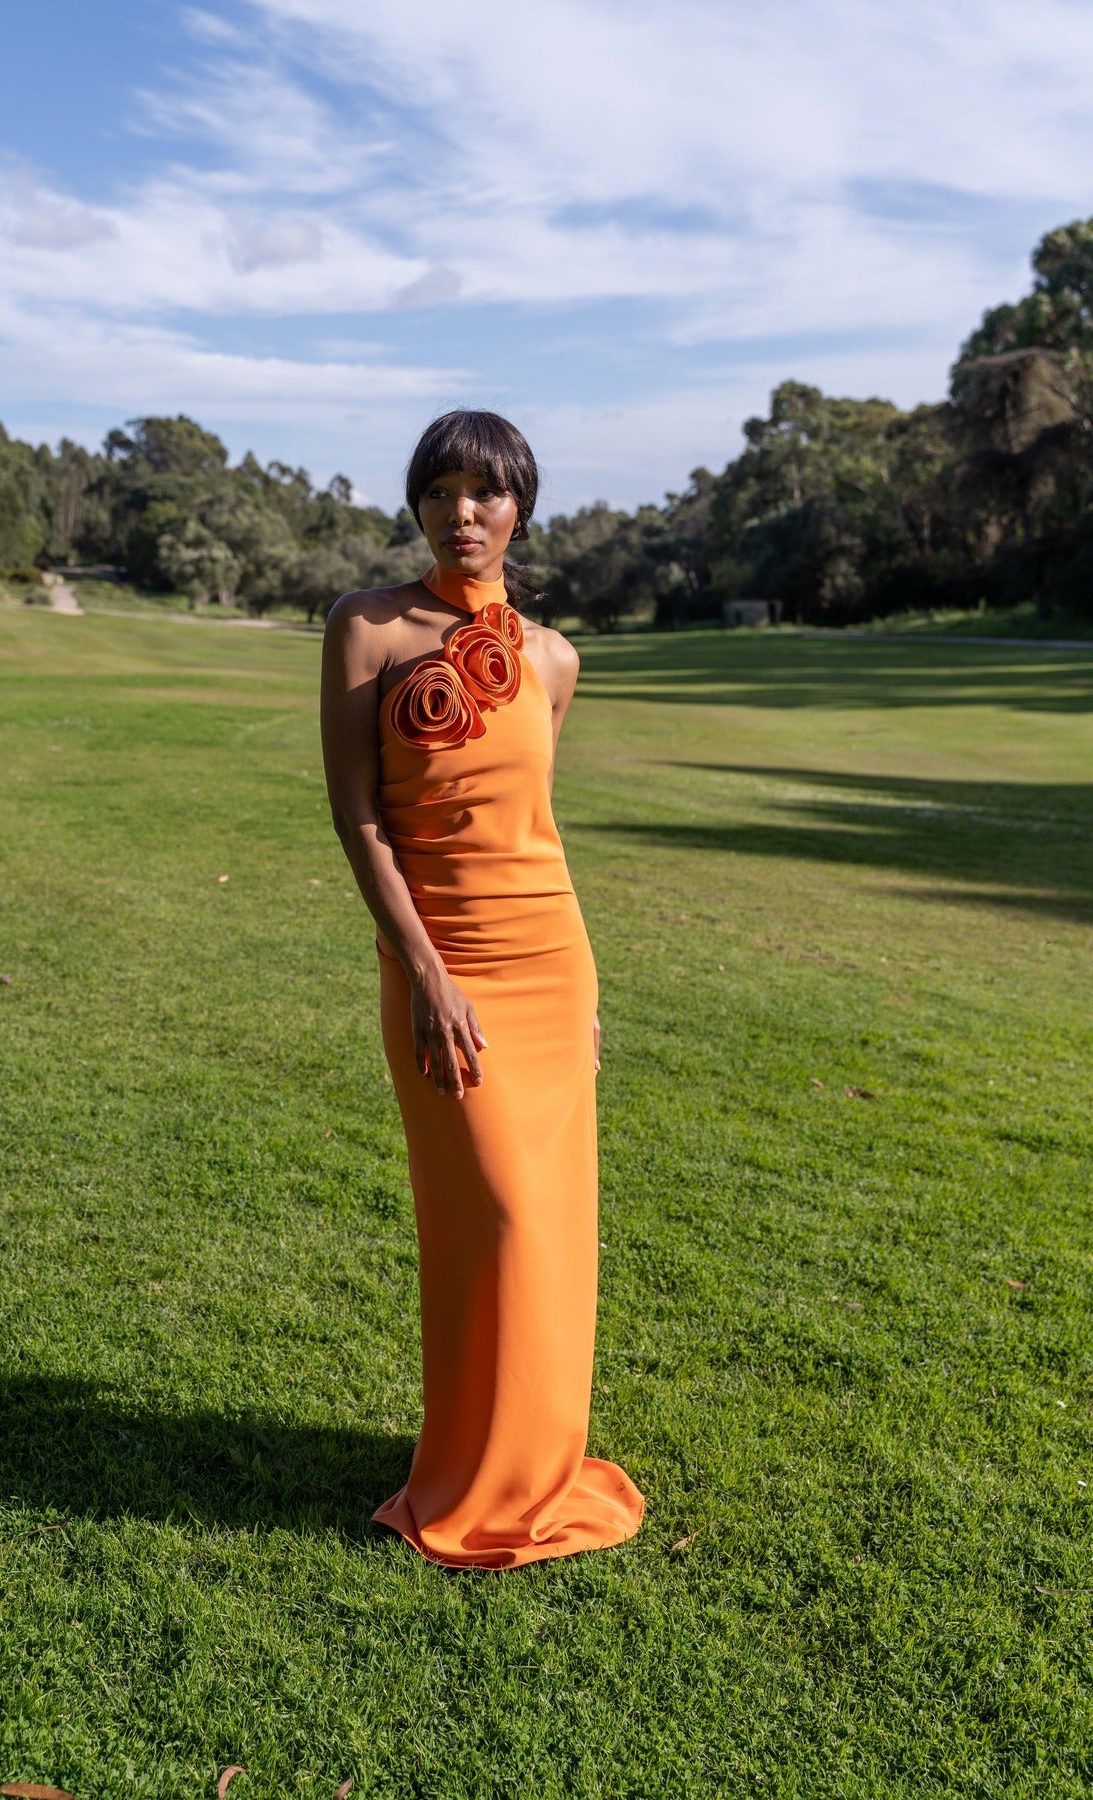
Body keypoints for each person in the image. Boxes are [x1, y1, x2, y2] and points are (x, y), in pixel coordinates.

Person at [319, 409, 645, 1569]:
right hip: (439, 966)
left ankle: (540, 1468)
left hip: (551, 963)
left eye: (486, 491)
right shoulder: (366, 628)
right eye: (442, 489)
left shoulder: (555, 659)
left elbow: (537, 830)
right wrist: (425, 974)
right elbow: (361, 816)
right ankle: (466, 1476)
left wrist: (588, 992)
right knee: (493, 1217)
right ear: (417, 505)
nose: (464, 511)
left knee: (552, 1227)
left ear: (520, 509)